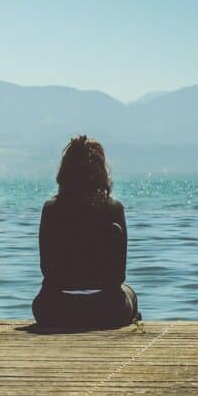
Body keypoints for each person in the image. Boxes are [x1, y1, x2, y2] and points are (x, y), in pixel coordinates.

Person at [32, 135, 140, 328]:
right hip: (106, 309)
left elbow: (45, 268)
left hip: (56, 308)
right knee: (129, 292)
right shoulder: (113, 209)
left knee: (41, 302)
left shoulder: (51, 209)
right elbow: (119, 275)